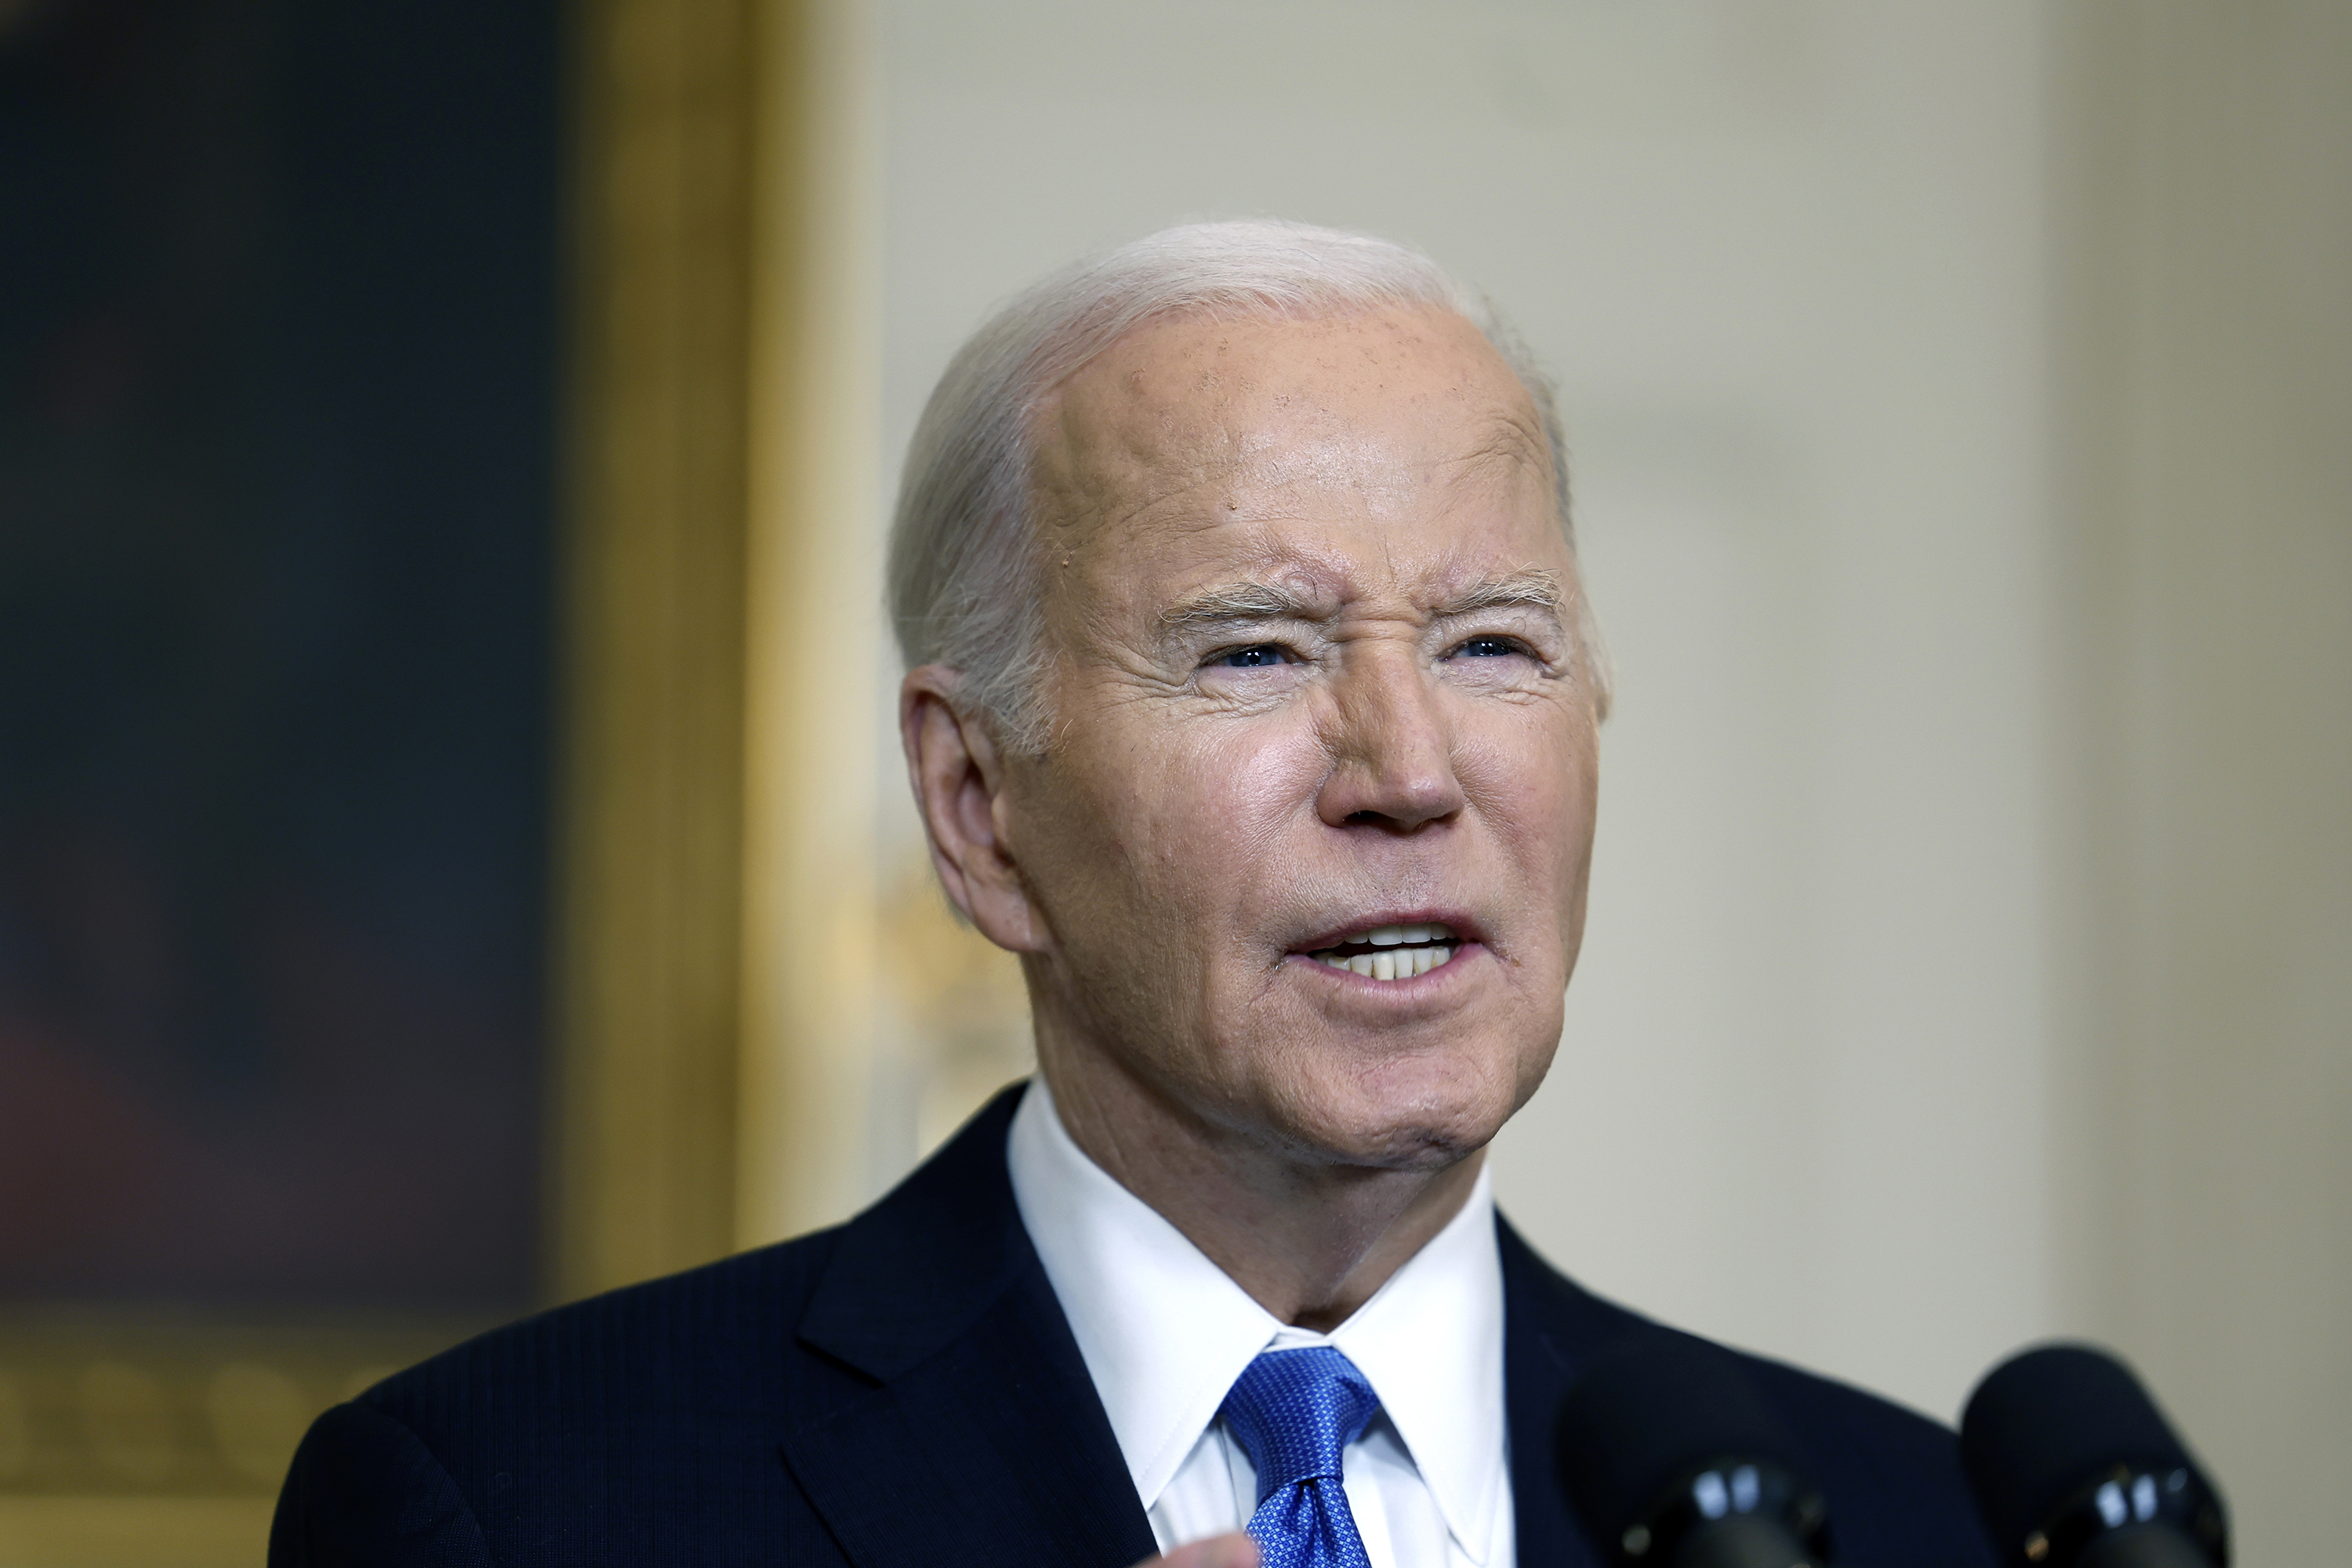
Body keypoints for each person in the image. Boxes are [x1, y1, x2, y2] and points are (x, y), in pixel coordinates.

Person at [270, 221, 1996, 1568]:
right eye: (1253, 649)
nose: (1408, 768)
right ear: (978, 805)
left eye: (1492, 645)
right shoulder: (516, 1512)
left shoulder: (1915, 1525)